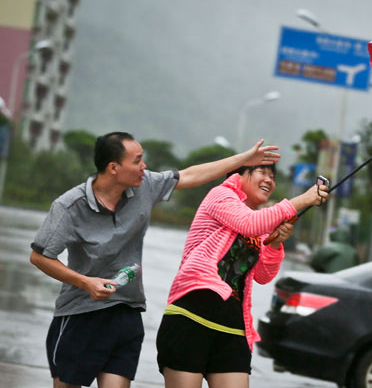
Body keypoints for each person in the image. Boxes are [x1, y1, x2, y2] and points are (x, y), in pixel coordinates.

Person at [29, 131, 280, 388]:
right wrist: (85, 283)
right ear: (113, 167)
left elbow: (191, 175)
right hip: (80, 314)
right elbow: (39, 256)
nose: (144, 166)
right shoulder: (70, 206)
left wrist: (244, 158)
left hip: (127, 311)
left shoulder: (144, 186)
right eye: (137, 160)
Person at [155, 163, 328, 388]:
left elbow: (263, 275)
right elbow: (249, 223)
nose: (269, 180)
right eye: (262, 173)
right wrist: (302, 200)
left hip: (232, 325)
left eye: (273, 176)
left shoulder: (261, 222)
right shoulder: (221, 195)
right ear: (240, 175)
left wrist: (275, 243)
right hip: (191, 315)